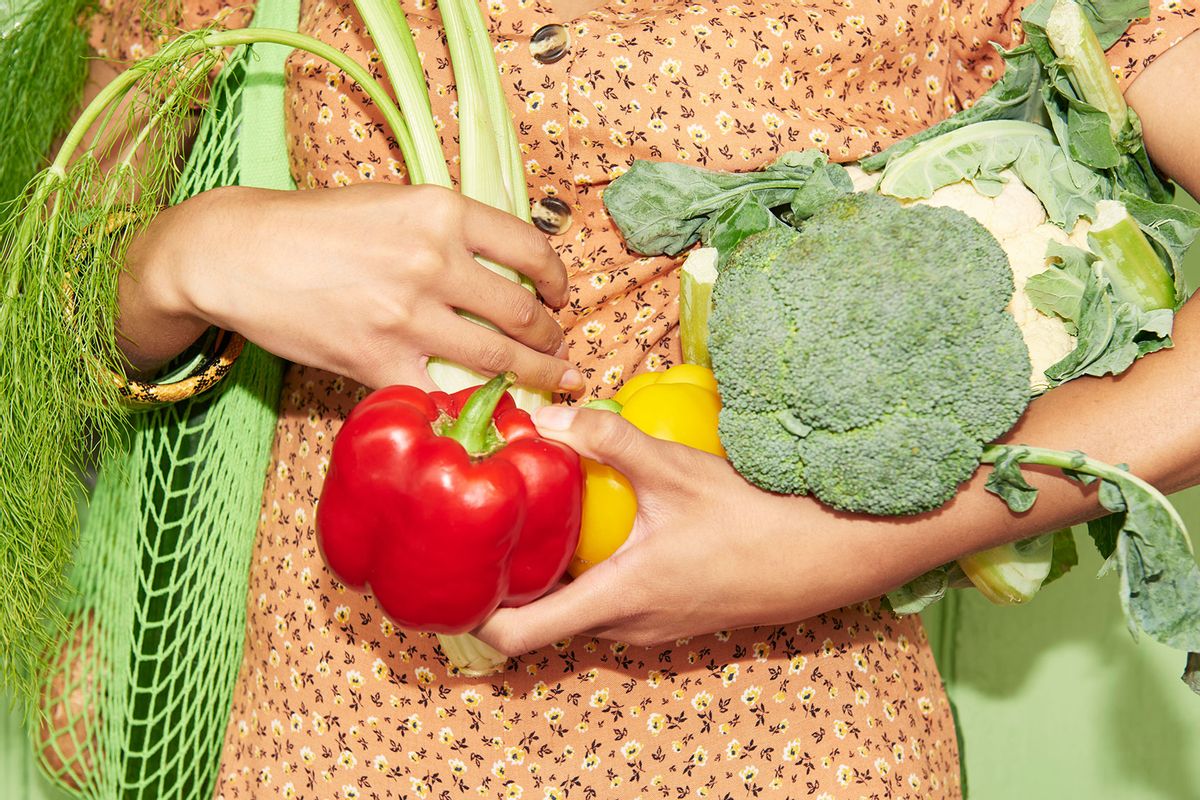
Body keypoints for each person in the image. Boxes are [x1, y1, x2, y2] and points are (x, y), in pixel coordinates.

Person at [84, 0, 1200, 797]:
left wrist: (859, 541)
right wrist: (176, 258)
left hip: (785, 739)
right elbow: (54, 340)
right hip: (325, 734)